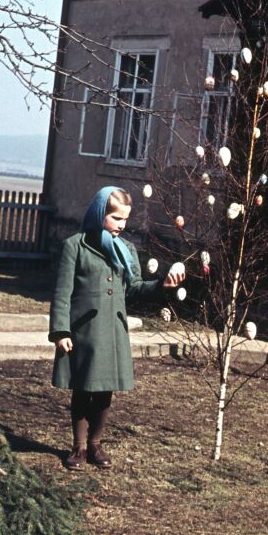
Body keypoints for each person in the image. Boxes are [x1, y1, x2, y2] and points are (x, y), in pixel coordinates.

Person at [49, 185, 185, 471]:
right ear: (100, 213)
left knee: (104, 389)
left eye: (125, 219)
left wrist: (162, 286)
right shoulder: (75, 245)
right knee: (83, 387)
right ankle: (79, 447)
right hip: (84, 333)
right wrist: (61, 331)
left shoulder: (127, 250)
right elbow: (62, 293)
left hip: (113, 331)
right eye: (115, 218)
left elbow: (134, 289)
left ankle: (96, 444)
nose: (121, 226)